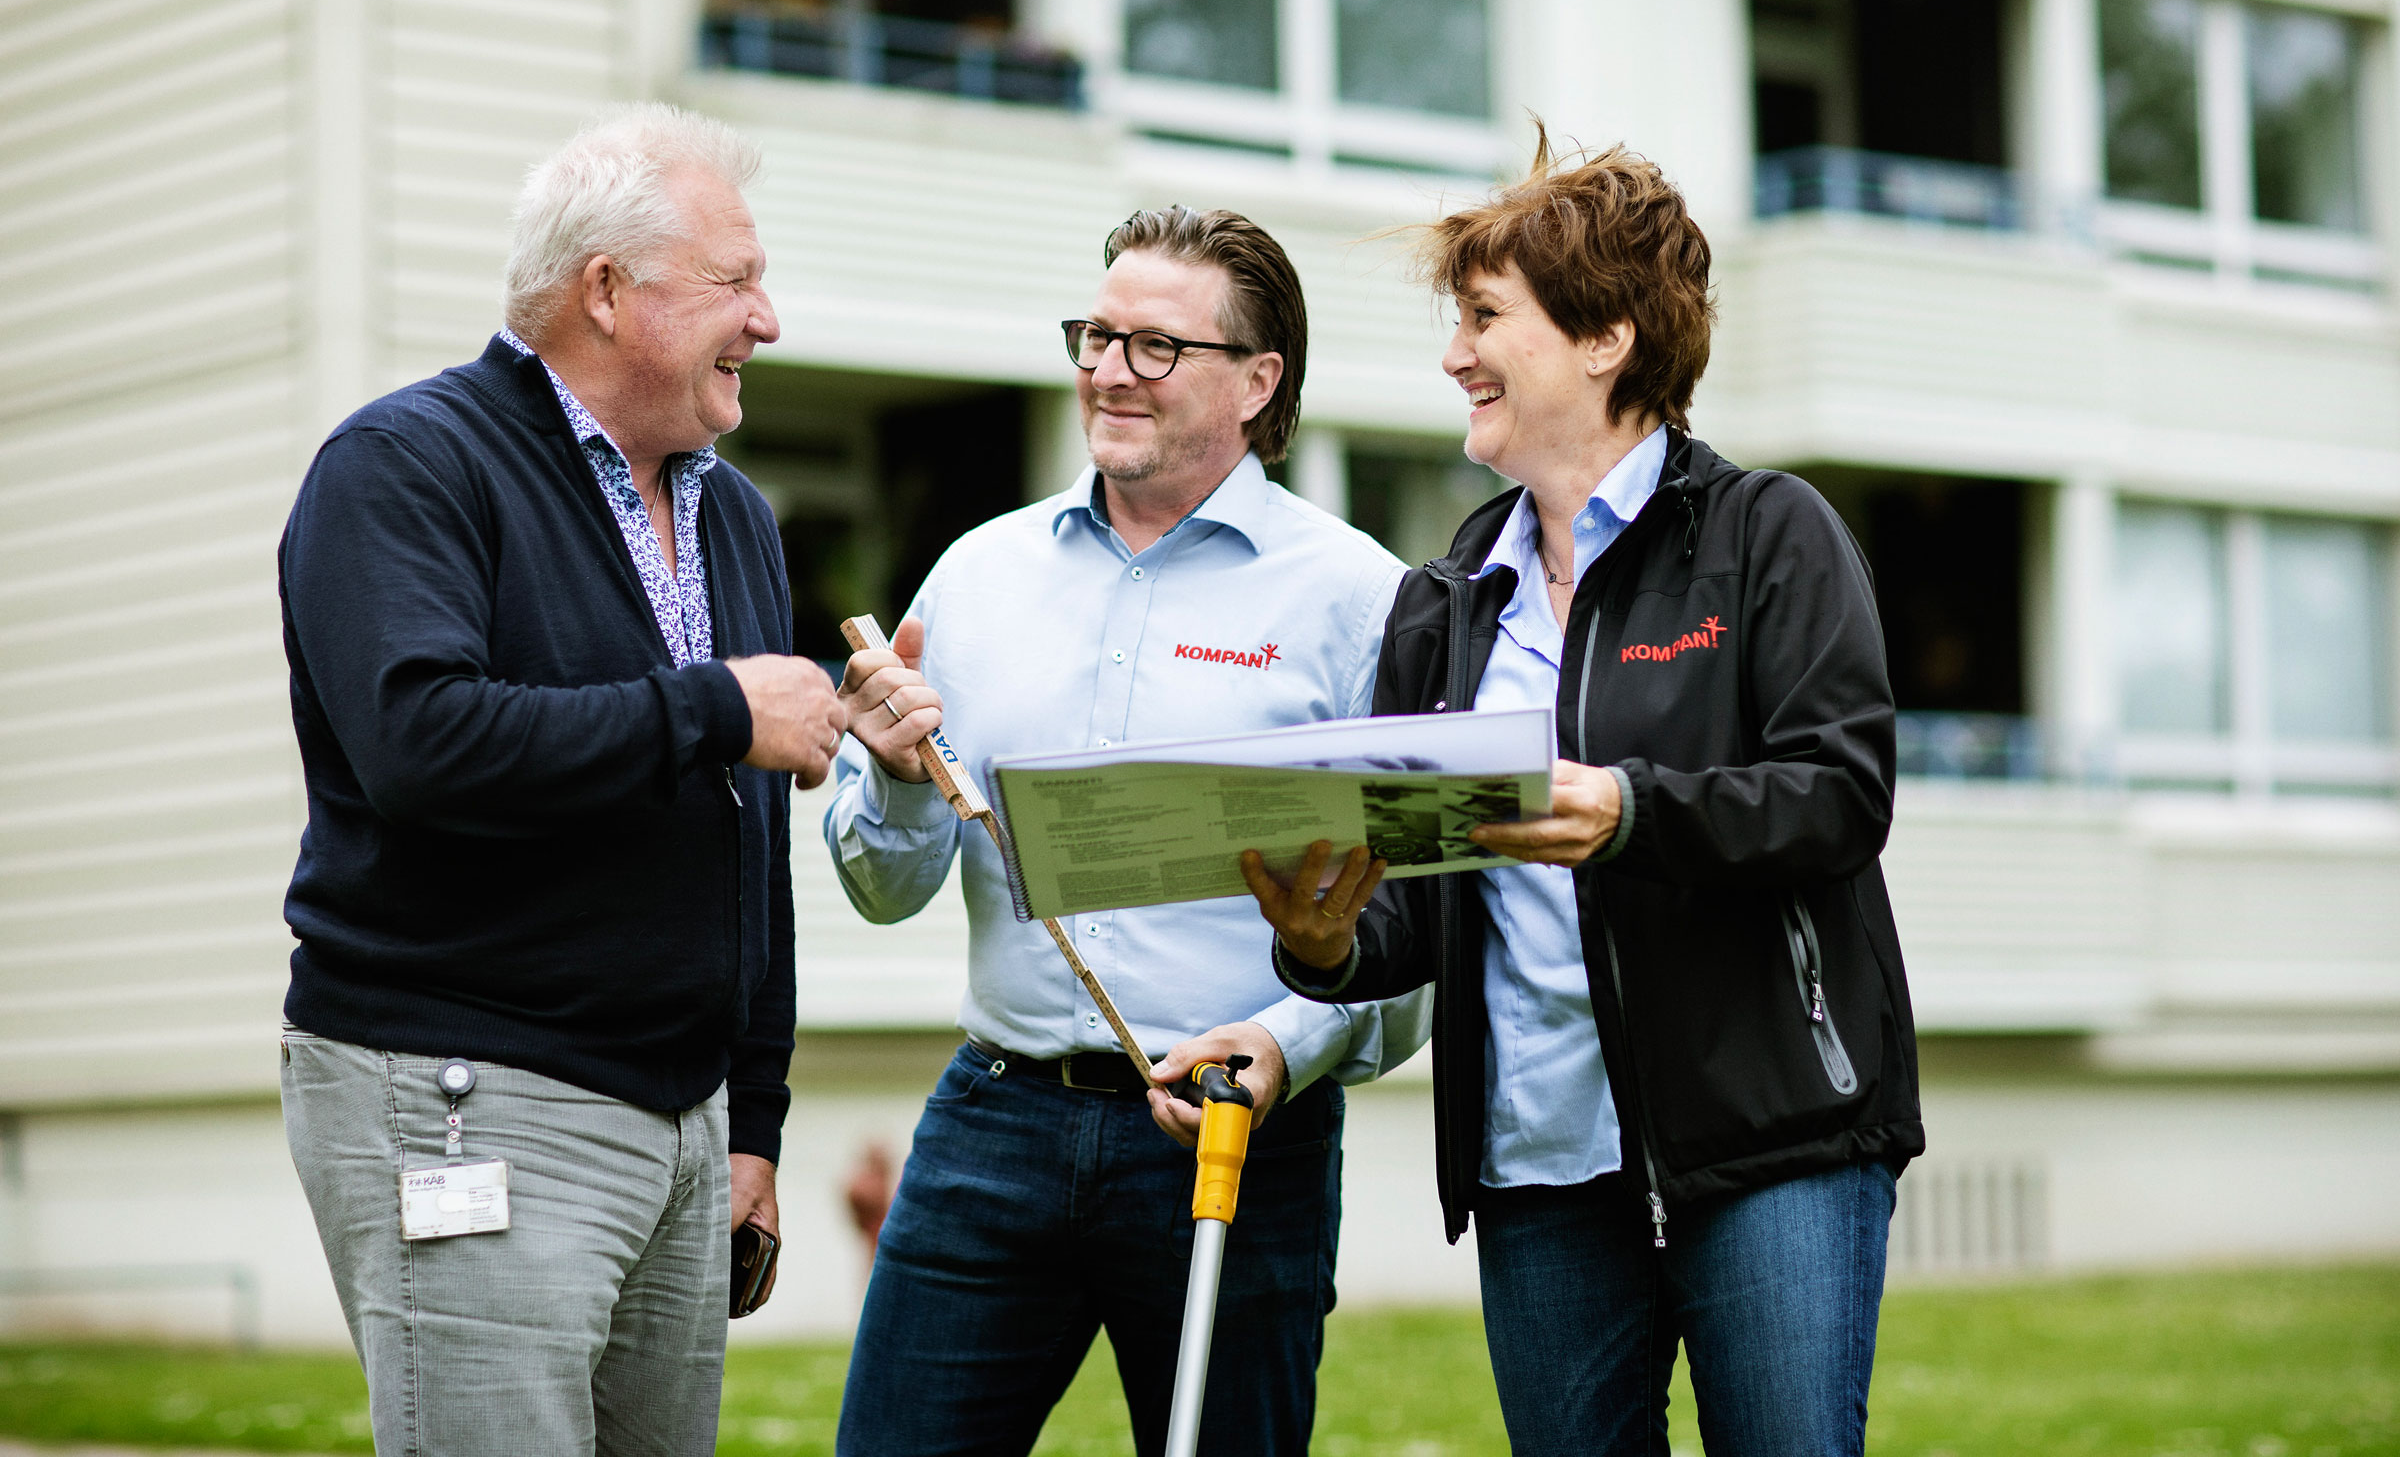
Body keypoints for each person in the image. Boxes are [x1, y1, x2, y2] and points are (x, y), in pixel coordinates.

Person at [1245, 136, 1923, 1456]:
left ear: (1607, 337)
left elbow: (1841, 794)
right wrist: (1322, 941)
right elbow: (1420, 899)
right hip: (1539, 1171)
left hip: (1768, 1149)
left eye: (1487, 318)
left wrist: (1631, 811)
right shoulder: (1445, 605)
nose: (1457, 355)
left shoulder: (1764, 534)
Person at [276, 104, 846, 1455]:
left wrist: (751, 1122)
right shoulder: (406, 465)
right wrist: (716, 707)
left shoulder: (734, 513)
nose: (768, 317)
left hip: (684, 1124)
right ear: (607, 291)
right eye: (737, 280)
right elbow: (423, 743)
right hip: (465, 1090)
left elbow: (744, 849)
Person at [824, 207, 1430, 1456]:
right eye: (1096, 334)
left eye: (1154, 346)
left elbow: (1412, 922)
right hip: (994, 1121)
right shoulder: (977, 579)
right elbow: (884, 891)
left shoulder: (1364, 601)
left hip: (1230, 1133)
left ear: (1259, 382)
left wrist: (1283, 1046)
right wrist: (887, 777)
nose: (1107, 369)